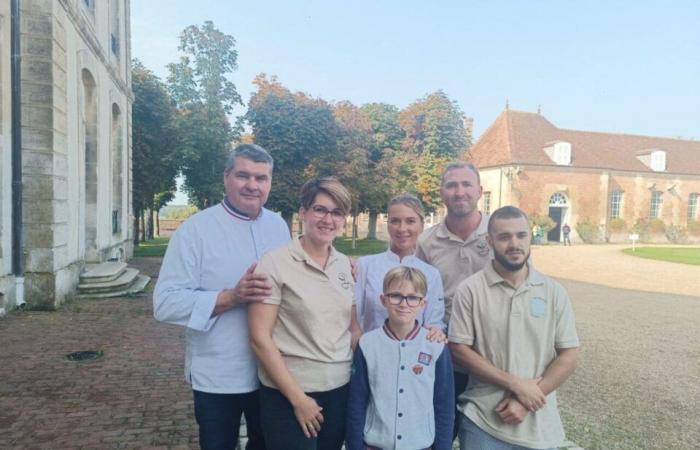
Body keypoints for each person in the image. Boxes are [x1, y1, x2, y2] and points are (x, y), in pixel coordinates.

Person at [153, 144, 290, 450]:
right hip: (218, 372)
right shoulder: (195, 230)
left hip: (272, 371)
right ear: (227, 177)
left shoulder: (278, 226)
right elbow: (164, 303)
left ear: (269, 183)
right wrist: (231, 297)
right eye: (243, 175)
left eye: (261, 178)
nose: (252, 185)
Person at [448, 206, 580, 450]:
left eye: (521, 235)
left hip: (540, 426)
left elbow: (569, 354)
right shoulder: (470, 290)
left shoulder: (553, 292)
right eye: (504, 237)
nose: (514, 244)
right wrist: (515, 384)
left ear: (530, 236)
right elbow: (459, 349)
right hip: (483, 422)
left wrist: (527, 399)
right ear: (489, 241)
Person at [249, 177, 358, 450]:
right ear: (304, 213)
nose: (328, 219)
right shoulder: (274, 263)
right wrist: (299, 400)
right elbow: (259, 339)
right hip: (290, 393)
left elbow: (352, 330)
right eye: (320, 209)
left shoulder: (345, 265)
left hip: (338, 389)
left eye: (337, 213)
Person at [415, 161, 492, 438]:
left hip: (491, 356)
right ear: (442, 193)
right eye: (452, 185)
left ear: (480, 190)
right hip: (445, 358)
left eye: (466, 184)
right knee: (440, 434)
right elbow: (415, 294)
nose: (460, 192)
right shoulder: (426, 243)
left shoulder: (499, 235)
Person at [346, 266, 454, 450]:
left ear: (423, 304)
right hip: (375, 445)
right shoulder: (367, 344)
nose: (403, 304)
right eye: (395, 296)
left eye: (412, 298)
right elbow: (357, 401)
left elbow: (444, 404)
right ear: (383, 300)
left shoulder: (435, 347)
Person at [355, 193, 446, 336]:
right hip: (371, 352)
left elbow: (433, 323)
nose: (402, 229)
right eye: (395, 221)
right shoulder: (365, 266)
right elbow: (353, 319)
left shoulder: (431, 274)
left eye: (410, 221)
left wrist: (435, 331)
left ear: (421, 225)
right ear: (388, 224)